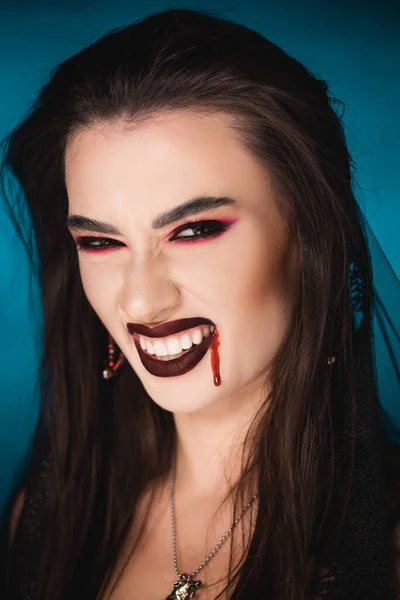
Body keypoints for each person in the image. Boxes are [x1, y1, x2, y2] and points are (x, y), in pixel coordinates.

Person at [0, 7, 399, 600]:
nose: (139, 297)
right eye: (100, 241)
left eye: (193, 230)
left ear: (310, 236)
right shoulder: (47, 516)